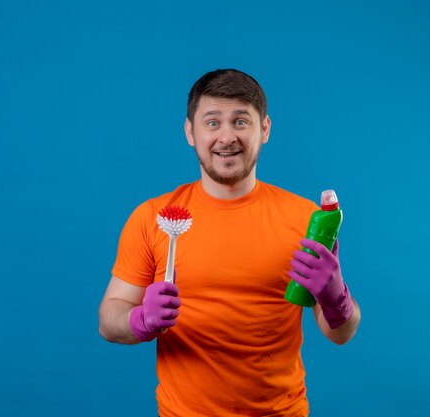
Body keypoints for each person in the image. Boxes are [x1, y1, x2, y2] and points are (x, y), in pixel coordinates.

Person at [98, 69, 361, 417]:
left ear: (264, 129)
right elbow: (108, 319)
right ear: (190, 132)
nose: (227, 137)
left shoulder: (304, 218)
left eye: (240, 121)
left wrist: (336, 297)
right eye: (212, 122)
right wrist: (139, 320)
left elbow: (340, 334)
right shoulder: (153, 218)